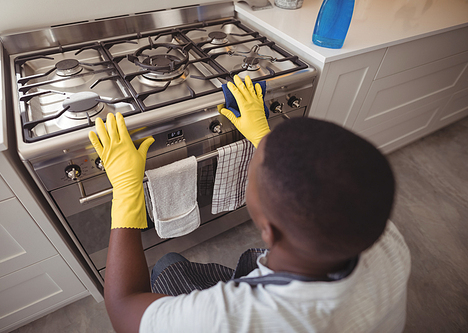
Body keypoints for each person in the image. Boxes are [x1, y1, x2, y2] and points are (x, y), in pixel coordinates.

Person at [88, 75, 411, 333]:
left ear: (268, 231)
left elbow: (123, 308)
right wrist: (264, 137)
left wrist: (128, 191)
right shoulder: (380, 233)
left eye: (255, 172)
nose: (260, 152)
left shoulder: (232, 319)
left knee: (167, 263)